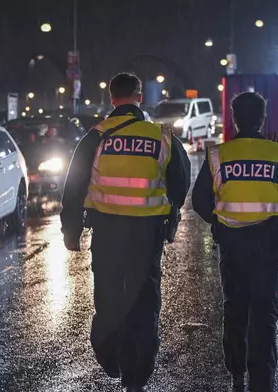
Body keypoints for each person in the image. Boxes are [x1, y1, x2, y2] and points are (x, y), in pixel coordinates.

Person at [60, 72, 190, 392]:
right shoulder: (162, 137)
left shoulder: (96, 136)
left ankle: (111, 357)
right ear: (139, 97)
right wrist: (170, 214)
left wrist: (71, 229)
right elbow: (180, 181)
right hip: (147, 233)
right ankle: (138, 374)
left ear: (111, 98)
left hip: (106, 232)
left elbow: (74, 185)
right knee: (145, 301)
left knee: (107, 297)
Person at [192, 92, 278, 392]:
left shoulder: (218, 155)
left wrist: (221, 221)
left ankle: (236, 374)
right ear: (263, 118)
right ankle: (261, 383)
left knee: (235, 308)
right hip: (267, 246)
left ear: (234, 118)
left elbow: (199, 201)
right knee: (263, 314)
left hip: (231, 245)